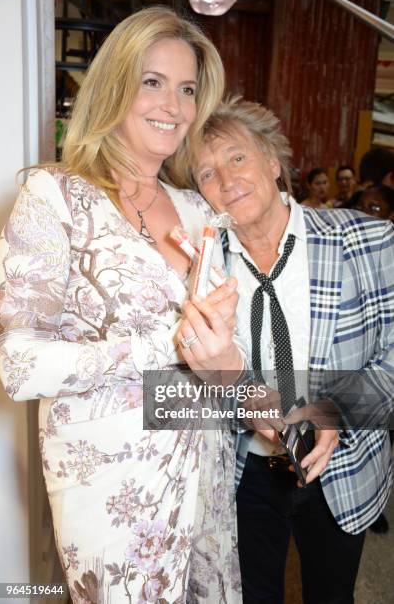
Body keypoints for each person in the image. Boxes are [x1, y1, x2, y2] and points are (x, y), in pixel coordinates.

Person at [0, 8, 245, 603]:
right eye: (152, 81)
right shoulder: (54, 196)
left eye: (187, 89)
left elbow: (224, 373)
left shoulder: (199, 213)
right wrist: (170, 344)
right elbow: (18, 365)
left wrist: (226, 364)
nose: (174, 105)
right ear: (114, 85)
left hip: (203, 471)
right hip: (111, 487)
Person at [174, 96, 394, 604]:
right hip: (243, 472)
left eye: (237, 157)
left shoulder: (367, 241)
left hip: (342, 471)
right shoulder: (200, 272)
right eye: (207, 173)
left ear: (273, 161)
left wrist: (336, 407)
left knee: (332, 594)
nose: (226, 180)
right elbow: (175, 391)